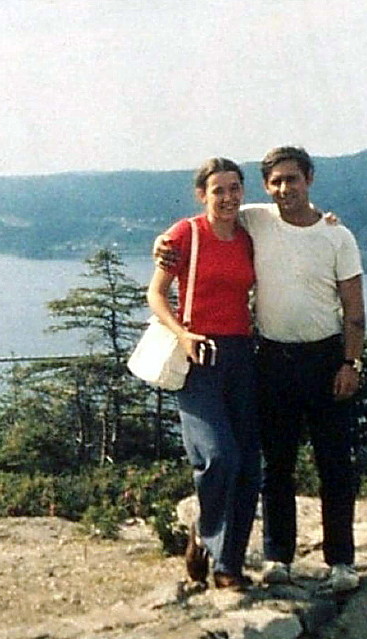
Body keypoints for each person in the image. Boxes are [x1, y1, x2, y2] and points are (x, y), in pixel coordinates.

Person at [155, 146, 365, 593]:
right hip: (235, 357)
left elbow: (352, 306)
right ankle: (241, 547)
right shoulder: (222, 226)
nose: (285, 188)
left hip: (286, 358)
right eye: (277, 181)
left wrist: (351, 360)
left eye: (293, 179)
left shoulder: (302, 231)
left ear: (309, 178)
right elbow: (164, 275)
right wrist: (162, 251)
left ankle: (316, 562)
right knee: (243, 462)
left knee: (294, 464)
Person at [145, 157, 261, 591]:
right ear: (202, 194)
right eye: (218, 190)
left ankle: (229, 565)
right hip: (199, 355)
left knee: (249, 464)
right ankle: (203, 535)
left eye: (235, 188)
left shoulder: (249, 237)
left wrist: (327, 219)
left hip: (242, 355)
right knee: (219, 456)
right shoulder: (185, 233)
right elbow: (155, 294)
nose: (228, 197)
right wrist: (183, 333)